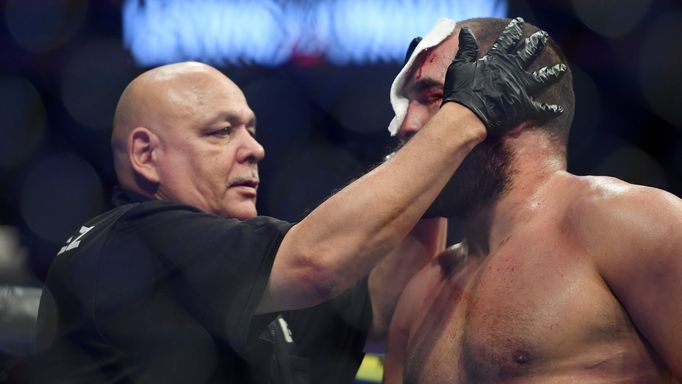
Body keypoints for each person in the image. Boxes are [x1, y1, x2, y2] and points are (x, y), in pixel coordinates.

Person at [32, 18, 562, 384]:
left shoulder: (247, 289)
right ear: (146, 155)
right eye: (221, 132)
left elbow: (385, 301)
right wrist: (467, 116)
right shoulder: (122, 244)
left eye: (252, 130)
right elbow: (317, 262)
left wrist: (421, 128)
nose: (255, 149)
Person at [382, 17, 682, 383]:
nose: (407, 124)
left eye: (431, 97)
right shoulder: (421, 296)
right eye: (406, 105)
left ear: (512, 105)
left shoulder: (628, 223)